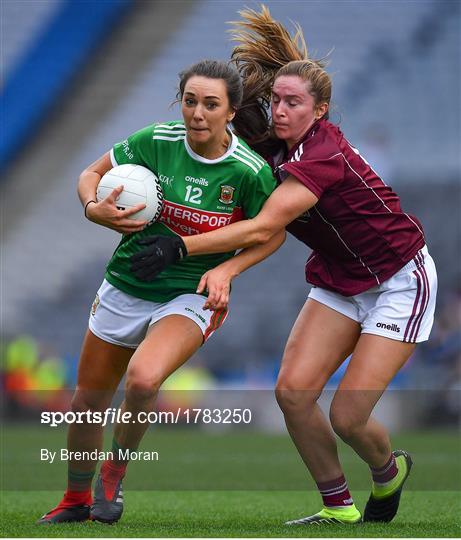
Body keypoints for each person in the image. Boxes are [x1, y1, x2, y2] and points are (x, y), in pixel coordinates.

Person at [132, 7, 438, 526]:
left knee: (347, 415)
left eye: (293, 103)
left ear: (320, 110)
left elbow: (262, 226)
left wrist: (181, 247)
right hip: (339, 280)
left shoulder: (322, 153)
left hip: (398, 280)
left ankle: (388, 470)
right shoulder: (271, 147)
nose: (279, 111)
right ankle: (337, 506)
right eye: (274, 100)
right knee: (292, 394)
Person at [37, 59, 284, 524]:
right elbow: (89, 175)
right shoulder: (155, 140)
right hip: (127, 282)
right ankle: (74, 499)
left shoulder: (247, 172)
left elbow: (270, 234)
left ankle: (114, 474)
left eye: (211, 104)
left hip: (190, 294)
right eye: (190, 101)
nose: (197, 113)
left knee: (145, 380)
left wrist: (228, 271)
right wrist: (93, 209)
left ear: (231, 112)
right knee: (87, 402)